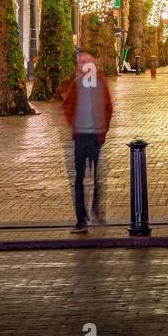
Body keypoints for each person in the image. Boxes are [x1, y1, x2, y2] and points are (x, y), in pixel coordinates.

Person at [61, 49, 113, 231]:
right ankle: (81, 218)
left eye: (87, 61)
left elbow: (108, 107)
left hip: (96, 136)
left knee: (98, 177)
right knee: (79, 178)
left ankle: (97, 211)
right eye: (81, 62)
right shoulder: (75, 83)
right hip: (80, 136)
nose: (84, 65)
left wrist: (103, 130)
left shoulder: (100, 82)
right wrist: (74, 124)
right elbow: (66, 104)